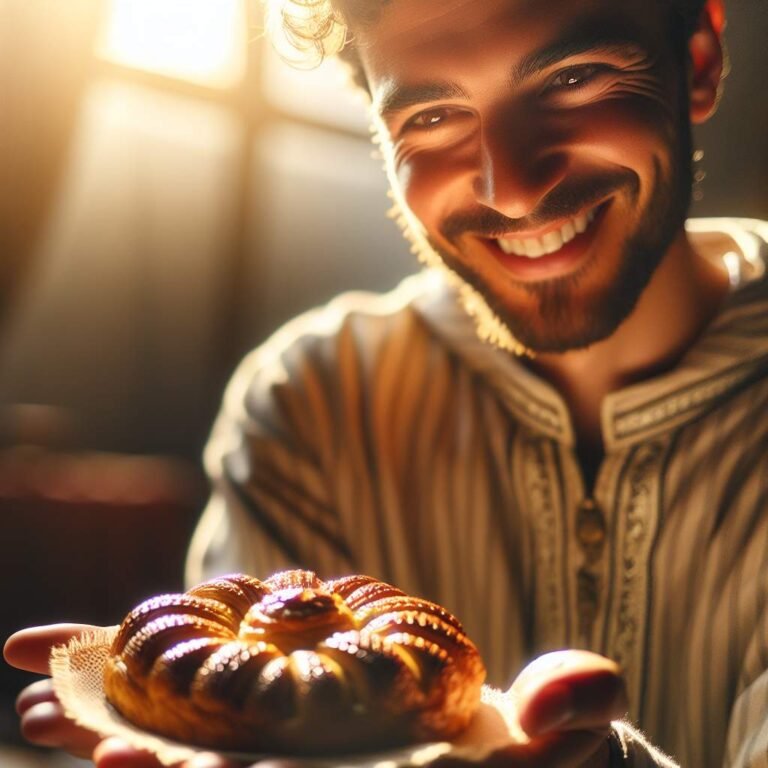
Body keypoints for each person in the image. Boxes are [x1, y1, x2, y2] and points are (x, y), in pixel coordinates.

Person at [4, 0, 767, 765]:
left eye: (574, 77)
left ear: (697, 59)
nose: (512, 190)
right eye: (432, 117)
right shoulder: (312, 400)